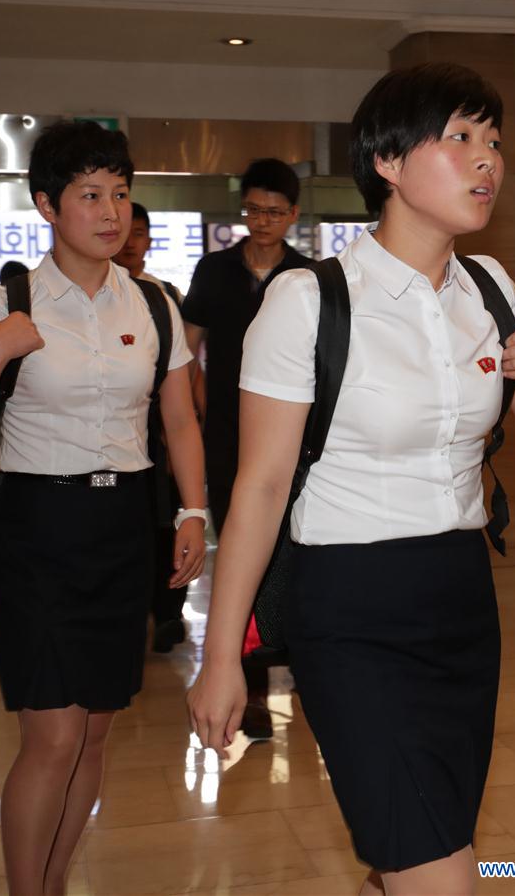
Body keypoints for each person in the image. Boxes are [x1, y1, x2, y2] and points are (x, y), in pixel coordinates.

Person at [188, 63, 515, 896]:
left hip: (459, 597)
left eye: (492, 142)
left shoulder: (489, 289)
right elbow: (260, 487)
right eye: (458, 139)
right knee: (440, 876)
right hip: (348, 609)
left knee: (423, 850)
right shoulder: (310, 299)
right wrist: (221, 653)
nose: (486, 160)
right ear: (387, 160)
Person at [0, 120, 207, 896]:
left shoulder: (151, 303)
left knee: (93, 732)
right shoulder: (8, 300)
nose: (111, 210)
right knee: (51, 732)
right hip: (36, 529)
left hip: (121, 530)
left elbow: (178, 418)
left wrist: (193, 512)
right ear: (47, 204)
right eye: (90, 194)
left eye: (119, 192)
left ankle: (51, 883)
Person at [182, 157, 312, 739]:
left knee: (300, 552)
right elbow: (188, 354)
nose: (263, 221)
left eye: (275, 212)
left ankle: (310, 668)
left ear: (294, 215)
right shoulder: (214, 271)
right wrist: (194, 412)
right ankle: (251, 687)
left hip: (296, 441)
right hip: (228, 437)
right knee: (242, 555)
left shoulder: (309, 278)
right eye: (254, 210)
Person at [113, 201, 191, 652]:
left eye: (139, 232)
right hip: (120, 432)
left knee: (166, 519)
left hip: (161, 431)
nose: (130, 241)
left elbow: (182, 371)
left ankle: (167, 612)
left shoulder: (164, 297)